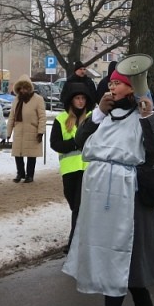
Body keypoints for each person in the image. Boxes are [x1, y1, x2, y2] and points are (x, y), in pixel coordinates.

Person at [63, 71, 154, 306]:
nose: (112, 88)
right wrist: (97, 113)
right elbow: (80, 142)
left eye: (118, 83)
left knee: (120, 254)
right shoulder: (105, 114)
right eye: (110, 83)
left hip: (128, 192)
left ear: (132, 87)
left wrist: (148, 118)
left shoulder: (147, 113)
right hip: (100, 189)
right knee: (124, 255)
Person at [51, 85, 92, 252]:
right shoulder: (61, 119)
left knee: (79, 206)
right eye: (77, 98)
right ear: (71, 100)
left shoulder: (91, 118)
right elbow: (55, 144)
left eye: (83, 98)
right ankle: (83, 236)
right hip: (69, 170)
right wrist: (75, 142)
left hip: (88, 169)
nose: (81, 101)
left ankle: (73, 243)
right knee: (74, 205)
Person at [7, 75, 46, 183]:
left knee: (31, 154)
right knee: (17, 153)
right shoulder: (16, 100)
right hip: (19, 130)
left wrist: (40, 132)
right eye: (21, 88)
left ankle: (30, 175)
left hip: (32, 130)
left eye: (25, 88)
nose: (23, 90)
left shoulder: (38, 99)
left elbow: (42, 117)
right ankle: (20, 173)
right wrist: (8, 133)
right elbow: (11, 117)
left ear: (29, 88)